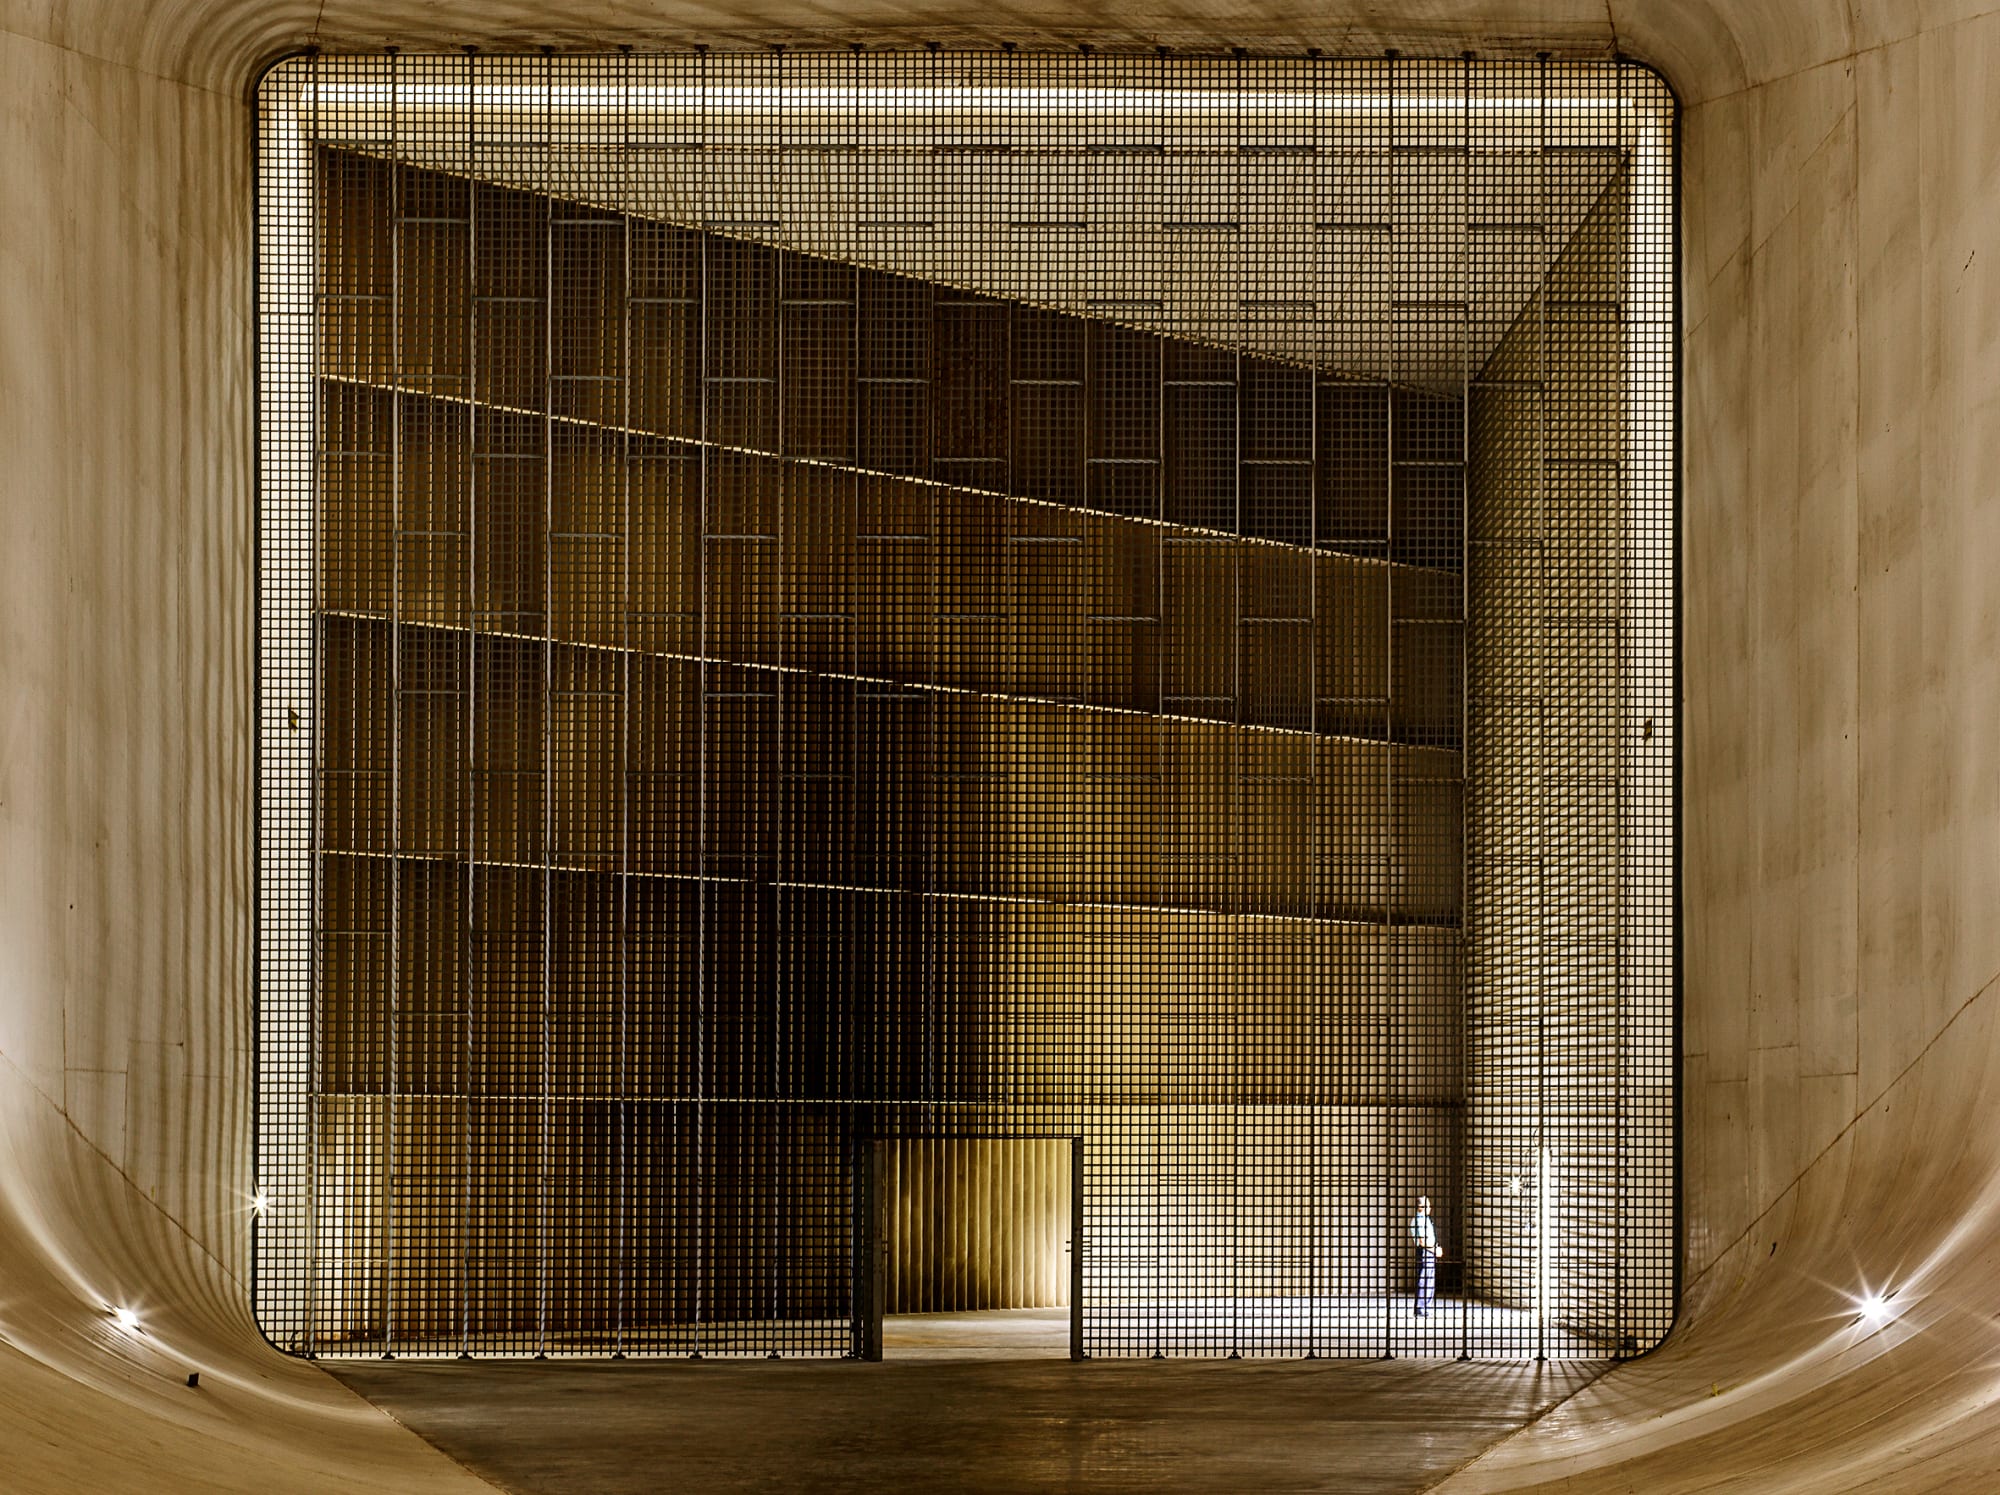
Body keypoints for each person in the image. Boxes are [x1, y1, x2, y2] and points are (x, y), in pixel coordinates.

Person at [1409, 1196, 1443, 1317]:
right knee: (1425, 1280)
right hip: (1425, 1251)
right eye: (1427, 1205)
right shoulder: (1420, 1221)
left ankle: (1425, 1307)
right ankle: (1421, 1308)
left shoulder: (1425, 1219)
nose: (1430, 1208)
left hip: (1428, 1251)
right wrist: (1435, 1250)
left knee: (1428, 1280)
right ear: (1421, 1207)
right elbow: (1422, 1241)